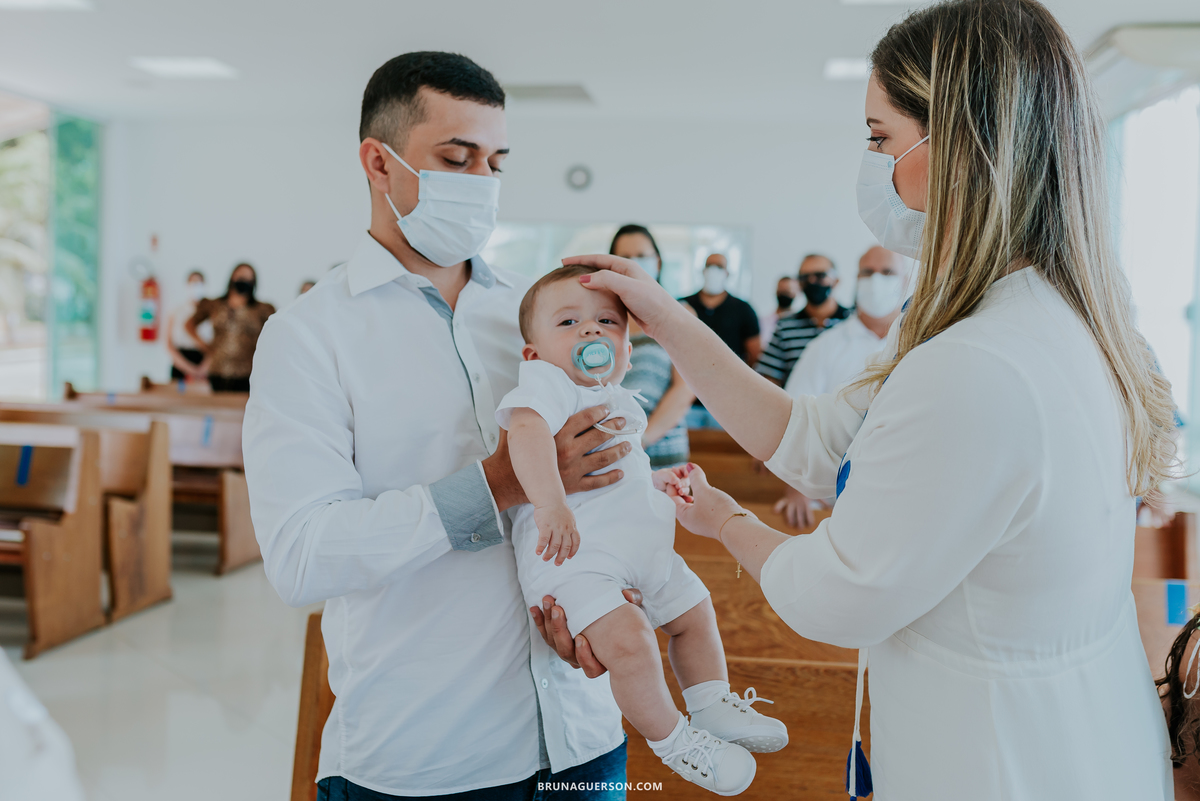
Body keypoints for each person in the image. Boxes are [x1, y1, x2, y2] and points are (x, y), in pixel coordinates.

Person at [561, 1, 1177, 797]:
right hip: (1081, 734)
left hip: (1007, 760)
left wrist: (722, 521)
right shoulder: (1022, 316)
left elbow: (838, 595)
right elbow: (819, 442)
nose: (872, 162)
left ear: (959, 147)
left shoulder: (980, 364)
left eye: (881, 137)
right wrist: (672, 322)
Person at [242, 51, 637, 801]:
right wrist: (494, 484)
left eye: (496, 162)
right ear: (378, 162)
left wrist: (609, 590)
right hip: (432, 755)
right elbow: (301, 556)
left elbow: (600, 480)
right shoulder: (309, 336)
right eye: (457, 159)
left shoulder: (537, 313)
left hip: (582, 734)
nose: (482, 182)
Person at [498, 264, 787, 794]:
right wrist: (549, 502)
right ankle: (675, 741)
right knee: (632, 642)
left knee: (695, 611)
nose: (589, 331)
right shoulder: (549, 386)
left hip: (638, 550)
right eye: (567, 323)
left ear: (628, 348)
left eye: (606, 321)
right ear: (533, 353)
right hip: (574, 557)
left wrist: (658, 482)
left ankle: (710, 702)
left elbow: (617, 475)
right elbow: (526, 434)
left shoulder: (618, 400)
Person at [773, 246, 914, 528]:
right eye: (867, 272)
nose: (876, 280)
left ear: (906, 280)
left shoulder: (923, 344)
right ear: (855, 278)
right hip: (835, 502)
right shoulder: (824, 347)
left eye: (887, 272)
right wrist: (795, 487)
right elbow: (792, 416)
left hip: (907, 494)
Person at [610, 224, 694, 468]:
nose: (634, 263)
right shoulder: (603, 319)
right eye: (625, 258)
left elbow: (685, 388)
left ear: (657, 262)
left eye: (642, 256)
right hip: (610, 452)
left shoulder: (679, 312)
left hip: (663, 449)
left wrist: (640, 439)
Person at [683, 254, 760, 429]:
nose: (713, 271)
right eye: (709, 266)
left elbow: (755, 356)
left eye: (719, 267)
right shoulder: (683, 305)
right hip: (687, 403)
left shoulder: (743, 309)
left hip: (727, 403)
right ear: (702, 270)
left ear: (727, 273)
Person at [755, 254, 851, 387]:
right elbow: (768, 379)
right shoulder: (785, 326)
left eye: (820, 276)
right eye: (804, 277)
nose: (812, 282)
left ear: (836, 280)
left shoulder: (854, 321)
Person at [187, 263, 276, 393]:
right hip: (218, 371)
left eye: (248, 279)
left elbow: (274, 334)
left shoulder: (262, 309)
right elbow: (189, 324)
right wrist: (205, 347)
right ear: (232, 278)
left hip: (248, 374)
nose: (244, 281)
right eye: (241, 277)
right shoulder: (215, 305)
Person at [165, 269, 212, 380]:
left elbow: (216, 344)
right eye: (192, 283)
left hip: (204, 363)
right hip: (181, 364)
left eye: (199, 283)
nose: (196, 287)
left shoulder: (211, 312)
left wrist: (203, 368)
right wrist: (189, 369)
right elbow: (169, 344)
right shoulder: (176, 312)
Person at [759, 275, 798, 346]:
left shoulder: (799, 323)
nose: (783, 294)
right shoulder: (763, 322)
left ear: (795, 293)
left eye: (787, 292)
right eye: (781, 291)